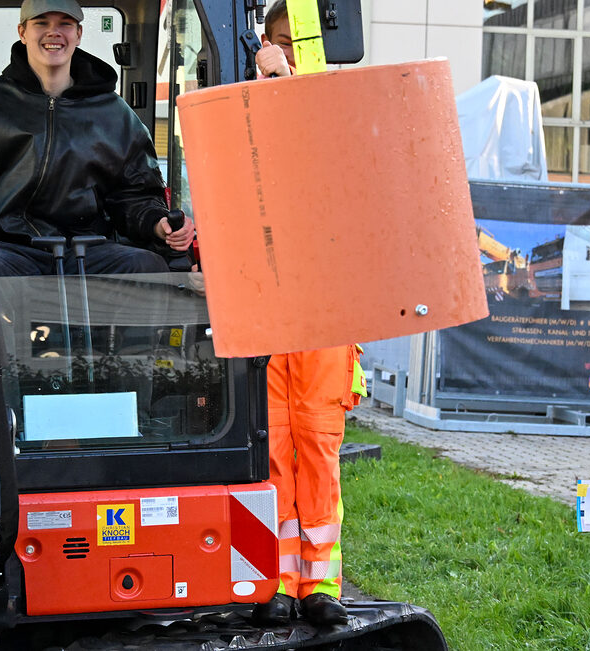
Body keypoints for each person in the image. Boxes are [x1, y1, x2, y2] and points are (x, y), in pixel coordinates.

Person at [248, 0, 366, 627]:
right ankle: (275, 580)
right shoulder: (250, 104)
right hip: (271, 307)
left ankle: (321, 586)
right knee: (270, 447)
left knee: (318, 448)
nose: (288, 50)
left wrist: (286, 83)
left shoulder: (336, 111)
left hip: (321, 316)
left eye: (299, 43)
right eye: (279, 40)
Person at [0, 0, 195, 276]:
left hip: (87, 249)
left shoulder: (114, 115)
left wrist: (156, 222)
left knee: (144, 266)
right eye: (41, 23)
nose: (53, 32)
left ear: (78, 34)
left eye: (64, 24)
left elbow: (135, 195)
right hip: (12, 249)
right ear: (22, 32)